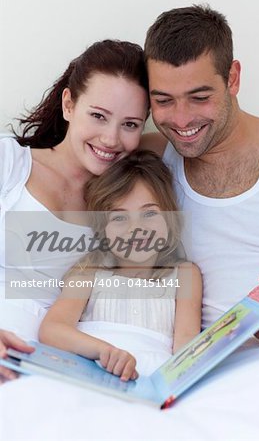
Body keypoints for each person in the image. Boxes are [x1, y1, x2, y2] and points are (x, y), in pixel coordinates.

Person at [141, 4, 259, 342]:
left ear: (232, 78)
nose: (181, 120)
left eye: (199, 97)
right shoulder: (150, 158)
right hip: (200, 374)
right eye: (164, 101)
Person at [0, 39, 149, 308]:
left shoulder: (127, 204)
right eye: (98, 116)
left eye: (130, 124)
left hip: (49, 346)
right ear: (68, 105)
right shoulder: (9, 162)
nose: (110, 139)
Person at [38, 151, 202, 381]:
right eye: (119, 218)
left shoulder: (185, 274)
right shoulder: (90, 271)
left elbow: (186, 344)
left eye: (149, 213)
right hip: (89, 371)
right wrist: (105, 351)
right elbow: (52, 329)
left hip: (149, 380)